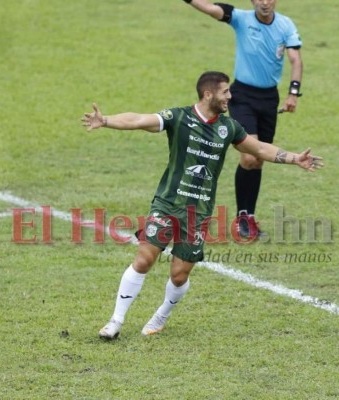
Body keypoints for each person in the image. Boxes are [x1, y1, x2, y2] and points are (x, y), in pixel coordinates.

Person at [81, 71, 322, 339]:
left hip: (199, 211)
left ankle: (161, 314)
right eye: (225, 92)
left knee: (180, 275)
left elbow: (259, 149)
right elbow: (139, 120)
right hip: (168, 203)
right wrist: (106, 121)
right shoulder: (179, 117)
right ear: (208, 94)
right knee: (145, 258)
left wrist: (294, 158)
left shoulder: (228, 128)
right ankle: (115, 321)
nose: (230, 96)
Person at [182, 0, 303, 239]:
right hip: (243, 96)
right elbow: (210, 8)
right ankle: (242, 220)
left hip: (269, 98)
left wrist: (293, 93)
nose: (265, 2)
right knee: (249, 155)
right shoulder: (240, 18)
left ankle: (247, 218)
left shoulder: (286, 25)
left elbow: (295, 60)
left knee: (259, 159)